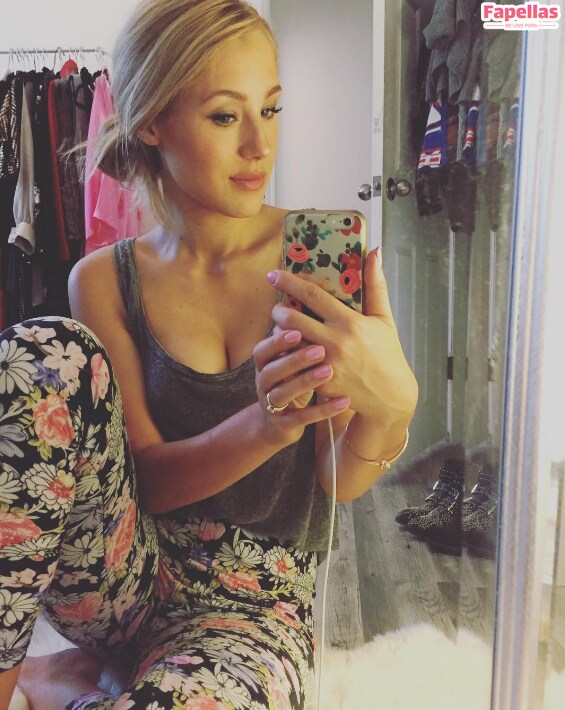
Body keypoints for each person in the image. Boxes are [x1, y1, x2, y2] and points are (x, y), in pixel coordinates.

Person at [0, 0, 418, 707]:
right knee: (42, 350)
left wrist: (390, 408)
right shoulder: (104, 279)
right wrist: (264, 426)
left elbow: (337, 481)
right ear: (152, 122)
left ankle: (71, 684)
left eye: (271, 109)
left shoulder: (314, 262)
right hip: (122, 574)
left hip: (254, 602)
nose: (260, 144)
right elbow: (147, 480)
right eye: (226, 116)